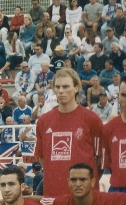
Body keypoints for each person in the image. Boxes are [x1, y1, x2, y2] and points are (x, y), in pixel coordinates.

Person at [34, 68, 104, 198]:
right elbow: (42, 158)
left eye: (66, 86)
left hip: (84, 197)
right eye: (57, 87)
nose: (61, 91)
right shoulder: (44, 121)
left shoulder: (92, 119)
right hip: (54, 195)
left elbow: (100, 160)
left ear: (76, 88)